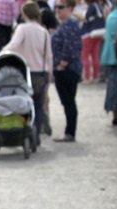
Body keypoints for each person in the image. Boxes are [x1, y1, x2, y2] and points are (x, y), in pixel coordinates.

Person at [3, 1, 53, 145]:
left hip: (26, 73)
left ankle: (24, 134)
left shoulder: (22, 28)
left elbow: (13, 45)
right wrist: (49, 74)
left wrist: (0, 55)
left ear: (24, 14)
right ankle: (35, 134)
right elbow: (49, 56)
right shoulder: (44, 31)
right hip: (41, 74)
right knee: (38, 106)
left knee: (23, 105)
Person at [52, 0, 82, 142]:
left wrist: (62, 65)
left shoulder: (70, 24)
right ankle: (69, 132)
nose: (57, 10)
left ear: (70, 8)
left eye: (61, 7)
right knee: (67, 102)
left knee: (69, 102)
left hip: (67, 69)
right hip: (64, 69)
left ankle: (70, 133)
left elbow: (70, 47)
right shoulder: (64, 24)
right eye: (56, 7)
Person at [80, 0, 105, 83]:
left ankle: (87, 77)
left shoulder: (91, 7)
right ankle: (95, 76)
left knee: (85, 56)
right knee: (95, 56)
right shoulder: (99, 7)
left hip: (88, 33)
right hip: (98, 33)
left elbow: (86, 19)